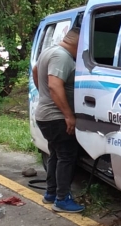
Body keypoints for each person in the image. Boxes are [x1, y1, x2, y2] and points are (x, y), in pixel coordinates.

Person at [32, 27, 85, 213]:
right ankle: (62, 199)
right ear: (77, 44)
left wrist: (43, 95)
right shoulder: (62, 57)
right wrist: (68, 115)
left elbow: (35, 70)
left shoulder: (49, 51)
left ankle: (51, 193)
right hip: (55, 117)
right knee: (67, 156)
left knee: (55, 153)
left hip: (46, 114)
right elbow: (55, 85)